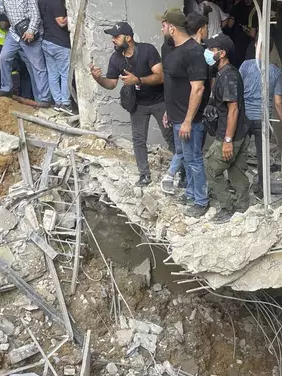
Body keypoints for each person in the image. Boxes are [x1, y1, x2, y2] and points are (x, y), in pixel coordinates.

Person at [89, 22, 173, 187]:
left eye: (116, 36)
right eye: (112, 37)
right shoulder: (115, 58)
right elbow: (111, 84)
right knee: (138, 140)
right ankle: (144, 175)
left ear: (128, 37)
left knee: (170, 136)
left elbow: (161, 77)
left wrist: (138, 80)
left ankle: (182, 170)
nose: (113, 40)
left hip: (159, 101)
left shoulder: (147, 50)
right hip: (138, 105)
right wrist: (98, 78)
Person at [159, 8, 210, 218]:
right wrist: (167, 111)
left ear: (171, 27)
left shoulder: (194, 52)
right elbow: (171, 83)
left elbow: (198, 88)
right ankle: (190, 194)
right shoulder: (169, 49)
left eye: (162, 25)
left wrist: (188, 120)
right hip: (176, 116)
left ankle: (201, 201)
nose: (161, 29)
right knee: (186, 159)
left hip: (190, 120)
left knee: (194, 159)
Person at [204, 33, 250, 222]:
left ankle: (227, 207)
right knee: (237, 172)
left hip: (230, 135)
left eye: (211, 50)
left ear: (221, 53)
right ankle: (243, 208)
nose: (207, 53)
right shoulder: (223, 73)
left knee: (211, 169)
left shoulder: (229, 76)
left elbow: (233, 110)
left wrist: (227, 141)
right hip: (238, 133)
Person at [239, 37, 282, 200]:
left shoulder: (245, 66)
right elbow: (278, 102)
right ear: (271, 49)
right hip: (263, 120)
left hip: (244, 118)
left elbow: (237, 91)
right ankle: (261, 188)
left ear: (257, 46)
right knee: (262, 156)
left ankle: (239, 187)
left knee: (238, 153)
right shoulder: (276, 71)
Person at [0, 0, 51, 107]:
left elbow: (36, 15)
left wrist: (31, 31)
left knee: (38, 67)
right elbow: (5, 10)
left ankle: (45, 98)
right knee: (3, 57)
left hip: (28, 33)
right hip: (14, 33)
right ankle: (6, 88)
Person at [38, 0, 72, 113]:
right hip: (60, 44)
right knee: (65, 74)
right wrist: (72, 15)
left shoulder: (41, 1)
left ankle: (58, 102)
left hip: (47, 42)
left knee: (53, 74)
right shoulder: (57, 2)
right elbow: (61, 22)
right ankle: (66, 103)